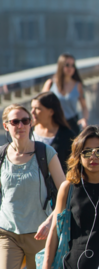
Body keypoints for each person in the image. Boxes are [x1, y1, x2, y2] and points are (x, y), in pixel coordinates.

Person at [43, 125, 99, 269]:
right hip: (74, 264)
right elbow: (54, 232)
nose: (93, 157)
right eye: (87, 152)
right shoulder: (68, 188)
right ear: (79, 157)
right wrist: (46, 265)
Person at [0, 104, 65, 269]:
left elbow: (66, 191)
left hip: (40, 233)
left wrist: (52, 220)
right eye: (15, 122)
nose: (20, 126)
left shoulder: (45, 152)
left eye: (25, 121)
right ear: (6, 126)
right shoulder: (1, 155)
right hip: (7, 232)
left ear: (31, 124)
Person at [42, 54, 88, 135]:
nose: (70, 68)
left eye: (73, 65)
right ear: (61, 66)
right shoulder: (51, 84)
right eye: (67, 65)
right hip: (54, 123)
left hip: (72, 124)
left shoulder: (78, 85)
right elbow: (41, 105)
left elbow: (84, 106)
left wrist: (84, 119)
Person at [31, 92, 76, 173]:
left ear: (51, 112)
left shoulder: (67, 135)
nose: (32, 112)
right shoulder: (27, 132)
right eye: (32, 107)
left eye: (37, 108)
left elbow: (74, 166)